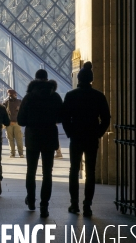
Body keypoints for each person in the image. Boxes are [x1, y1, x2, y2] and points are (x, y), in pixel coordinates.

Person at [62, 61, 111, 217]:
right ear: (91, 79)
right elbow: (106, 118)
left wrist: (69, 132)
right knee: (90, 172)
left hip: (76, 136)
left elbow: (65, 118)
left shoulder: (71, 95)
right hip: (91, 137)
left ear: (78, 79)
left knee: (74, 170)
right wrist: (98, 133)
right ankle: (87, 205)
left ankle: (74, 203)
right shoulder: (98, 96)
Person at [17, 71, 62, 218]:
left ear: (35, 78)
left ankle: (31, 200)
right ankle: (44, 206)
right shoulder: (54, 96)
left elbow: (21, 121)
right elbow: (61, 117)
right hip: (49, 137)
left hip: (33, 138)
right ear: (47, 79)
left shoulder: (29, 97)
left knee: (31, 171)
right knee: (47, 174)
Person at [2, 89, 24, 158]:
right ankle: (14, 153)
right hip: (11, 123)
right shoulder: (6, 102)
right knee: (12, 139)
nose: (15, 95)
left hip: (15, 123)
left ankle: (18, 153)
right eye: (14, 94)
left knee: (17, 139)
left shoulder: (19, 102)